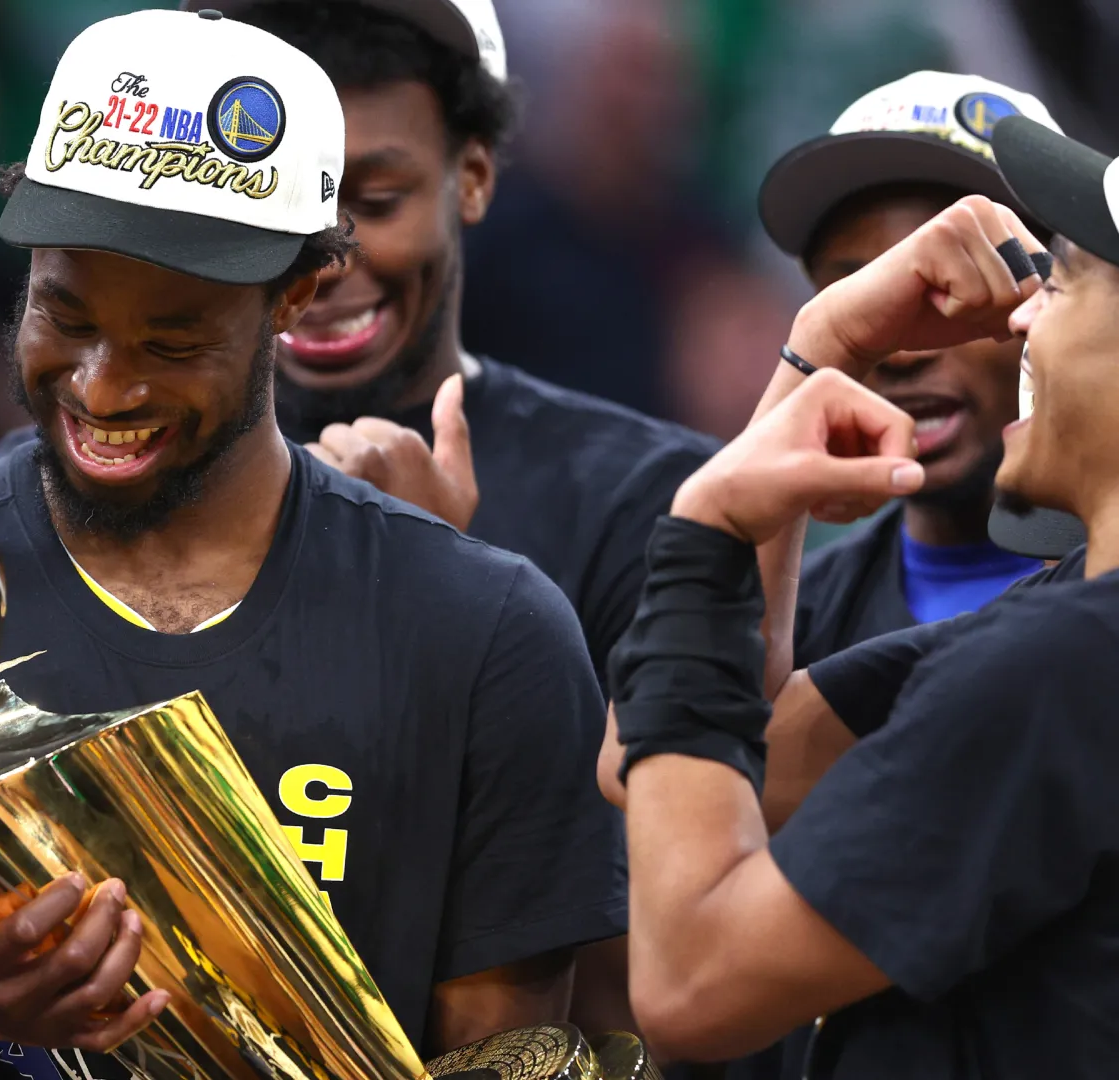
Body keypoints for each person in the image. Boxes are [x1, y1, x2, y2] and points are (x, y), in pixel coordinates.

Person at [0, 10, 624, 1080]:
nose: (103, 386)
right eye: (64, 318)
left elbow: (511, 1058)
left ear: (296, 293)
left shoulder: (483, 632)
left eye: (175, 339)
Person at [602, 110, 1119, 1076]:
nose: (1020, 310)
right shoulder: (1057, 625)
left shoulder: (1065, 663)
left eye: (1067, 279)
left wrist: (712, 527)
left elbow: (688, 986)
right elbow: (671, 750)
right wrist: (819, 348)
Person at [171, 0, 721, 692]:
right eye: (267, 194)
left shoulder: (651, 501)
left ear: (474, 178)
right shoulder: (102, 476)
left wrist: (439, 593)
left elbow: (652, 797)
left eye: (374, 202)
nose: (324, 260)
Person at [758, 72, 1079, 668]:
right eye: (862, 301)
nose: (904, 353)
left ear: (1065, 296)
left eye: (952, 288)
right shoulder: (783, 622)